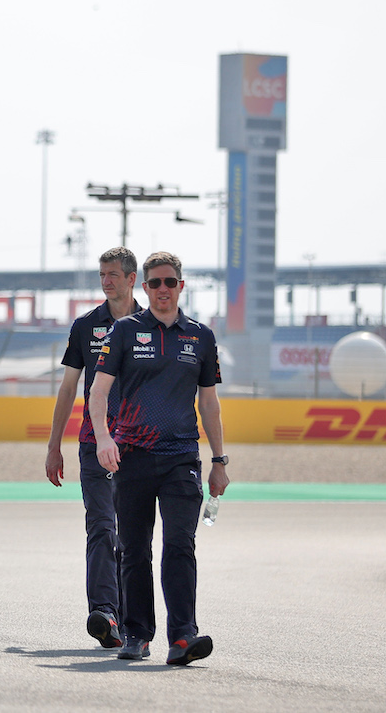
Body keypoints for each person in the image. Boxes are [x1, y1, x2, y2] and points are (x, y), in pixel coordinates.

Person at [90, 251, 229, 665]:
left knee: (180, 545)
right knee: (133, 550)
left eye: (170, 282)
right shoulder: (125, 331)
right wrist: (102, 440)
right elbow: (97, 393)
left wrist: (220, 461)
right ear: (144, 287)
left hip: (181, 457)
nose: (163, 290)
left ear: (181, 286)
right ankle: (137, 635)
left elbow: (210, 405)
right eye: (155, 283)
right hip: (131, 456)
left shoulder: (201, 336)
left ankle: (183, 636)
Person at [45, 247, 142, 649]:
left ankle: (132, 620)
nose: (106, 281)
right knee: (101, 526)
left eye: (114, 274)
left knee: (133, 536)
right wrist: (54, 446)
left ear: (131, 278)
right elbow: (69, 387)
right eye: (102, 274)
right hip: (92, 444)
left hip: (141, 446)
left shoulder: (153, 326)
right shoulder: (86, 326)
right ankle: (104, 612)